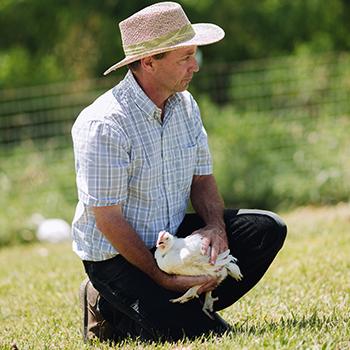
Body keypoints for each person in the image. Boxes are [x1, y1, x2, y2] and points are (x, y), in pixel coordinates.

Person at [71, 1, 287, 343]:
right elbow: (107, 219)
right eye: (185, 57)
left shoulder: (186, 106)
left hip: (173, 243)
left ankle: (154, 310)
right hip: (117, 257)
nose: (195, 67)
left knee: (266, 230)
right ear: (148, 62)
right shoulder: (103, 124)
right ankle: (109, 302)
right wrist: (161, 277)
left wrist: (216, 229)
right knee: (206, 335)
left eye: (195, 55)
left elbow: (202, 180)